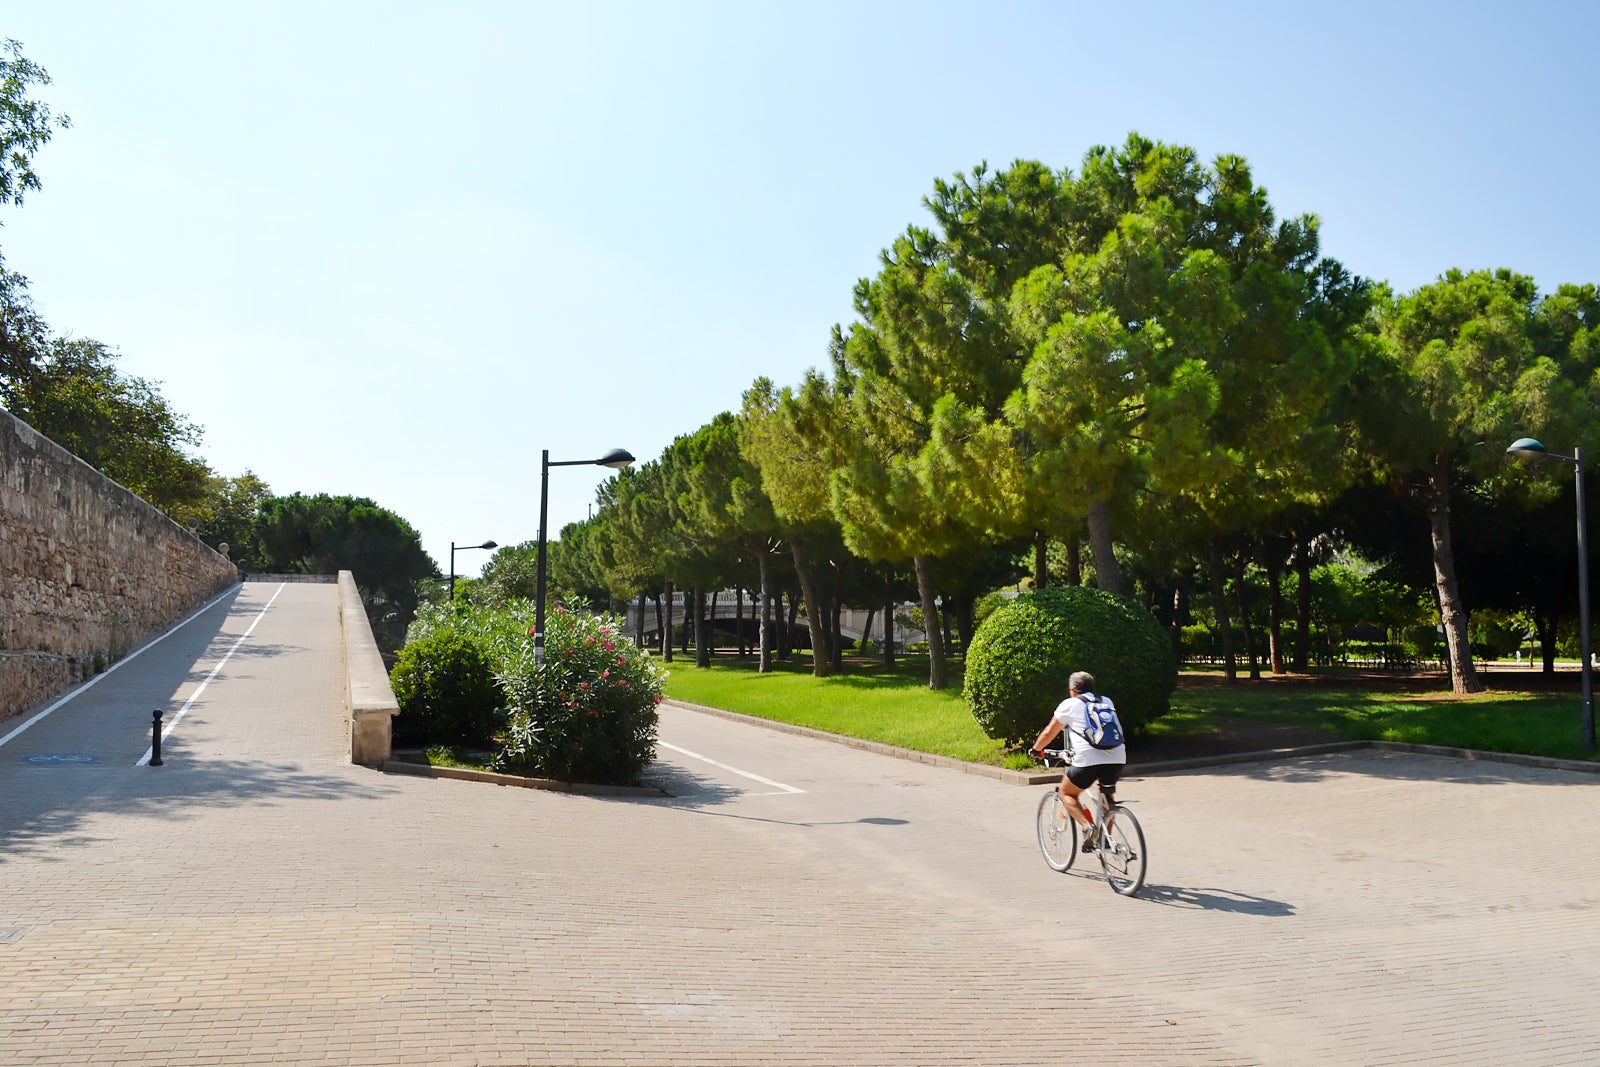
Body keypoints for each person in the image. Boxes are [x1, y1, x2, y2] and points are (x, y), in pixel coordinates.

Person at [1028, 670, 1126, 853]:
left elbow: (1050, 731)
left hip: (1088, 759)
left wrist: (1036, 750)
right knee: (1106, 796)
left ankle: (1087, 827)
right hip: (1117, 757)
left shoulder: (1069, 704)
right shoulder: (1106, 701)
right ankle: (1106, 841)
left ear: (1072, 690)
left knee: (1067, 793)